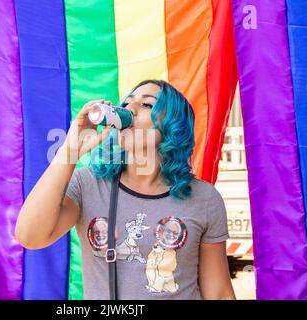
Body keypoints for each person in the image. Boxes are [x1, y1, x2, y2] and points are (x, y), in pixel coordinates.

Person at [15, 80, 236, 300]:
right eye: (127, 103)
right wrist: (70, 150)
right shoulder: (88, 184)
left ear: (173, 126)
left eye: (147, 105)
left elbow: (218, 293)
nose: (130, 109)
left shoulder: (204, 198)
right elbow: (30, 236)